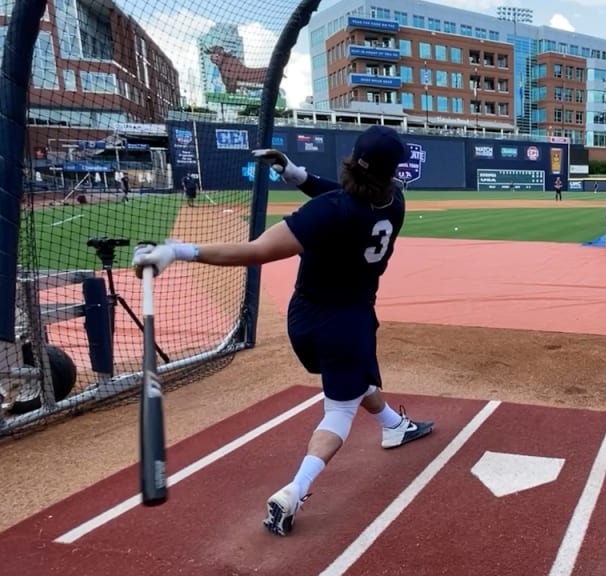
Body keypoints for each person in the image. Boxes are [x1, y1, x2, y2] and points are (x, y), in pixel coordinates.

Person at [132, 125, 434, 537]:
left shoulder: (329, 210)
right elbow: (347, 198)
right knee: (339, 409)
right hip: (348, 324)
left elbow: (258, 250)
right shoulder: (393, 202)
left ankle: (392, 426)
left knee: (353, 377)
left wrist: (178, 250)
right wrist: (298, 175)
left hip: (305, 320)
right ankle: (295, 490)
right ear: (391, 172)